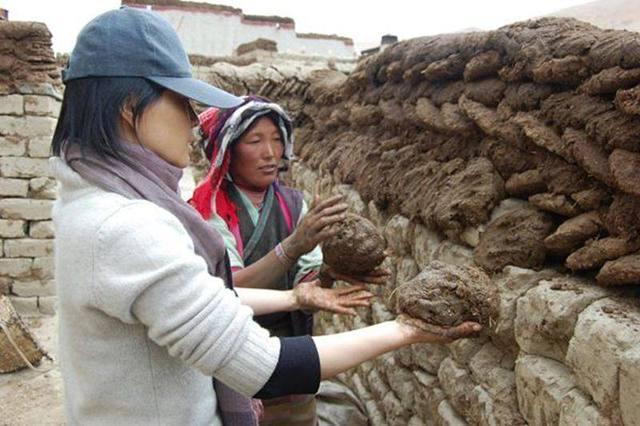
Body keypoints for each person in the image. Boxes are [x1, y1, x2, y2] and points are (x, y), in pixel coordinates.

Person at [51, 7, 481, 426]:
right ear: (130, 107)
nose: (194, 120)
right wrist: (404, 330)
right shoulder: (127, 226)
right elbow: (264, 367)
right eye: (182, 102)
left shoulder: (89, 199)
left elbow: (201, 300)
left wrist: (305, 292)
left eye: (276, 140)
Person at [190, 97, 389, 424]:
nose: (270, 153)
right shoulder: (206, 210)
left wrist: (327, 275)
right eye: (255, 141)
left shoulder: (294, 204)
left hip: (289, 354)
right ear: (227, 150)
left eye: (277, 139)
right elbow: (229, 289)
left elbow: (307, 295)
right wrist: (293, 246)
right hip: (229, 355)